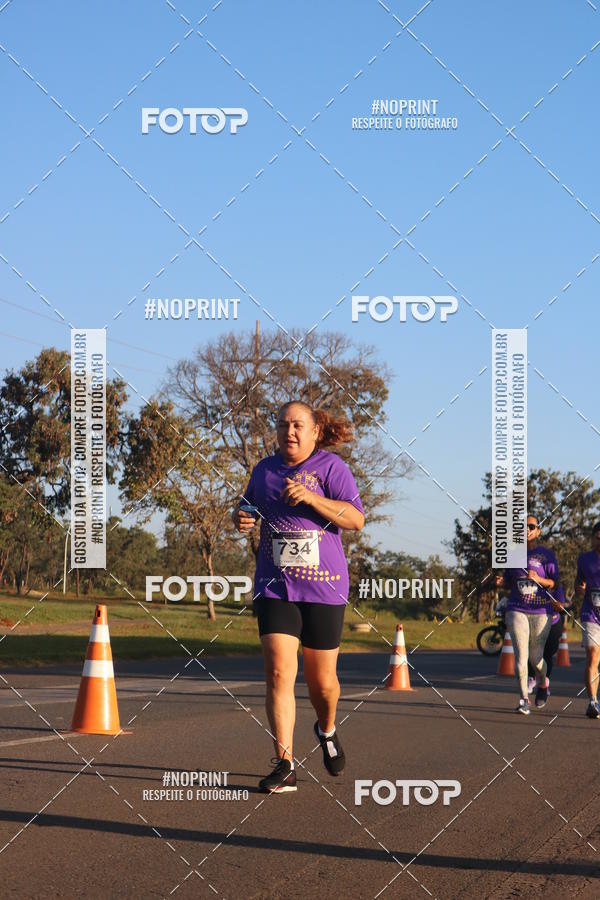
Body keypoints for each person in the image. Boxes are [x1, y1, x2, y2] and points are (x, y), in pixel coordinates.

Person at [232, 401, 365, 793]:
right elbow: (247, 506)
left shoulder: (330, 468)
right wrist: (240, 517)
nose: (289, 431)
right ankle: (285, 764)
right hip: (275, 587)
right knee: (278, 673)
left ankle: (326, 728)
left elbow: (355, 518)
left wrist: (311, 499)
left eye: (297, 425)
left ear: (314, 432)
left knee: (321, 683)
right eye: (283, 425)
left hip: (324, 588)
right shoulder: (265, 471)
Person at [498, 514, 560, 714]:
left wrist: (539, 580)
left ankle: (542, 681)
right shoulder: (512, 554)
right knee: (521, 655)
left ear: (538, 531)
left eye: (531, 526)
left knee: (536, 658)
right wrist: (501, 582)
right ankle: (524, 699)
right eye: (523, 526)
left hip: (541, 610)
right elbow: (509, 580)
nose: (526, 529)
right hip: (516, 608)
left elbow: (555, 583)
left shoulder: (547, 555)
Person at [526, 582, 571, 695]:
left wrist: (557, 605)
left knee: (547, 654)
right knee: (532, 651)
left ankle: (544, 682)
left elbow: (561, 605)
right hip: (534, 620)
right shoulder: (531, 582)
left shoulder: (555, 584)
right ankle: (531, 678)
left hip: (553, 622)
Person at [575, 521, 600, 718]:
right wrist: (580, 589)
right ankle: (592, 701)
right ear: (593, 538)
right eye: (597, 536)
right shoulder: (584, 559)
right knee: (592, 655)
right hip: (590, 613)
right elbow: (578, 583)